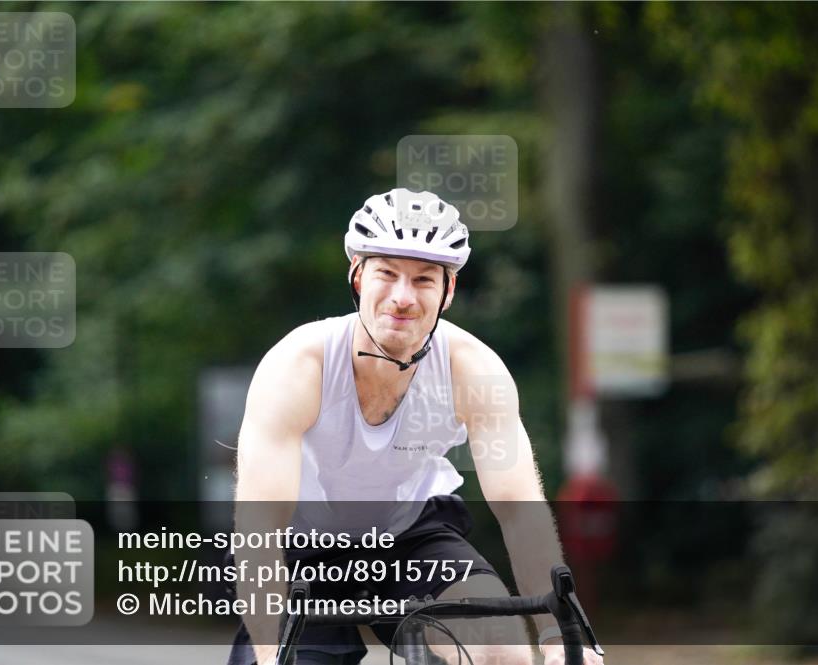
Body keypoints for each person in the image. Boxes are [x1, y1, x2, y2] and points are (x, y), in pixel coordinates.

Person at [229, 189, 605, 665]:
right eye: (387, 273)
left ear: (448, 292)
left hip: (410, 535)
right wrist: (269, 652)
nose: (402, 298)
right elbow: (259, 526)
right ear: (357, 276)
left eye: (424, 280)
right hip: (300, 547)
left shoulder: (473, 369)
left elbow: (519, 510)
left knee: (501, 646)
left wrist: (559, 638)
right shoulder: (299, 365)